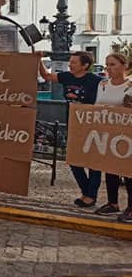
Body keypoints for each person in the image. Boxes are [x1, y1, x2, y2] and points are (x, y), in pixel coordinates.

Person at [39, 51, 102, 207]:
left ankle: (90, 195)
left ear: (85, 65)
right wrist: (38, 59)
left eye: (74, 62)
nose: (70, 65)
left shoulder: (95, 81)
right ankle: (87, 192)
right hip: (73, 124)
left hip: (92, 125)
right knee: (74, 160)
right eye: (70, 62)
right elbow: (47, 76)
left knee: (93, 162)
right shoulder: (67, 77)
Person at [89, 53, 132, 223]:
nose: (108, 68)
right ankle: (112, 203)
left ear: (124, 66)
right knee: (110, 169)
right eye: (107, 64)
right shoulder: (103, 84)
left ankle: (131, 207)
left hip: (126, 135)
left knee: (128, 172)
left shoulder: (130, 86)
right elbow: (97, 104)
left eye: (113, 64)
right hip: (107, 133)